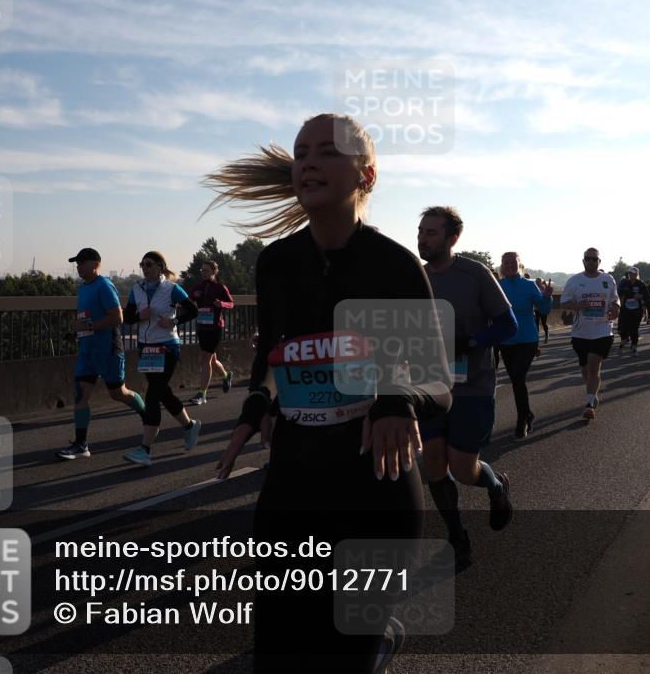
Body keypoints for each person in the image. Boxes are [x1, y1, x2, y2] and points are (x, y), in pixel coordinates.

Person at [209, 113, 451, 672]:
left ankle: (377, 642)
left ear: (365, 175)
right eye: (301, 152)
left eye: (327, 152)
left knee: (347, 655)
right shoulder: (275, 264)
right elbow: (270, 359)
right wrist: (255, 407)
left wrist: (398, 402)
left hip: (377, 486)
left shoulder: (394, 266)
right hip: (294, 481)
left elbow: (438, 381)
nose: (309, 161)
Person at [417, 208, 516, 570]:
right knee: (433, 465)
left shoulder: (474, 274)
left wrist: (472, 341)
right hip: (428, 387)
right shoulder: (416, 276)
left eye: (431, 233)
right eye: (420, 231)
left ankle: (495, 485)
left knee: (461, 469)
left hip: (473, 387)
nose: (423, 239)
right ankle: (457, 536)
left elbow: (509, 325)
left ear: (451, 238)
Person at [58, 248, 146, 460]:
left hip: (107, 349)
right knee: (81, 394)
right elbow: (87, 319)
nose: (78, 266)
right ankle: (81, 445)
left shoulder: (104, 285)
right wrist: (76, 332)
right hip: (87, 351)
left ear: (95, 264)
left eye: (82, 262)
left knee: (118, 393)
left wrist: (90, 326)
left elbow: (117, 318)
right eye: (76, 263)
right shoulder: (83, 288)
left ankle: (149, 416)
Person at [120, 251, 202, 467]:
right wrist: (139, 316)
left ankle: (145, 449)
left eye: (149, 264)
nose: (145, 268)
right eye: (142, 264)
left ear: (160, 266)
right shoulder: (136, 289)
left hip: (167, 346)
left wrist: (174, 322)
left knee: (153, 394)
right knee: (162, 392)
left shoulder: (171, 289)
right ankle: (189, 425)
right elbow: (126, 317)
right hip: (146, 348)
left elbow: (193, 311)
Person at [559, 248, 620, 421]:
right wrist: (579, 305)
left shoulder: (608, 279)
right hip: (580, 332)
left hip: (602, 330)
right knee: (586, 370)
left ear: (599, 262)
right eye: (588, 259)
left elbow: (615, 299)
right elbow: (564, 302)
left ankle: (588, 405)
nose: (591, 262)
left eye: (595, 259)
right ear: (583, 261)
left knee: (594, 366)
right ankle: (591, 394)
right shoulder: (574, 281)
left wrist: (616, 308)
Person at [499, 256, 553, 437]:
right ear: (502, 266)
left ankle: (521, 420)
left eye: (513, 262)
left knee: (518, 377)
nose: (510, 265)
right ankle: (528, 414)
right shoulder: (497, 285)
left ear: (519, 265)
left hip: (527, 339)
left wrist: (547, 297)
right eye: (506, 263)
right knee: (516, 380)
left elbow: (544, 309)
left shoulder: (529, 285)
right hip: (506, 340)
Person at [189, 261, 235, 406]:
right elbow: (188, 302)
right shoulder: (197, 287)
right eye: (202, 270)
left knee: (206, 359)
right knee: (212, 359)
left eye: (207, 271)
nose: (203, 273)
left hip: (216, 328)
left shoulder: (220, 287)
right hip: (202, 327)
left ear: (214, 272)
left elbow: (231, 303)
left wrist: (221, 304)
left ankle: (202, 393)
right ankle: (226, 375)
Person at [617, 267, 649, 355]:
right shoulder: (624, 283)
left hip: (637, 311)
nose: (631, 275)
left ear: (637, 274)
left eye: (634, 274)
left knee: (634, 329)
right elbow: (618, 292)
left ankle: (634, 347)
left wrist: (640, 296)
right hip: (625, 310)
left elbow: (647, 296)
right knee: (623, 329)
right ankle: (623, 342)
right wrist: (623, 296)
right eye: (630, 274)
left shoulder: (640, 284)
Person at [534, 277, 552, 343]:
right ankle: (536, 337)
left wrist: (548, 283)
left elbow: (549, 291)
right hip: (537, 308)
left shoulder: (544, 288)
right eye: (536, 281)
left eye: (538, 281)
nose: (537, 282)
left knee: (544, 323)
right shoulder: (534, 288)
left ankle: (546, 335)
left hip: (544, 309)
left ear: (540, 282)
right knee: (536, 323)